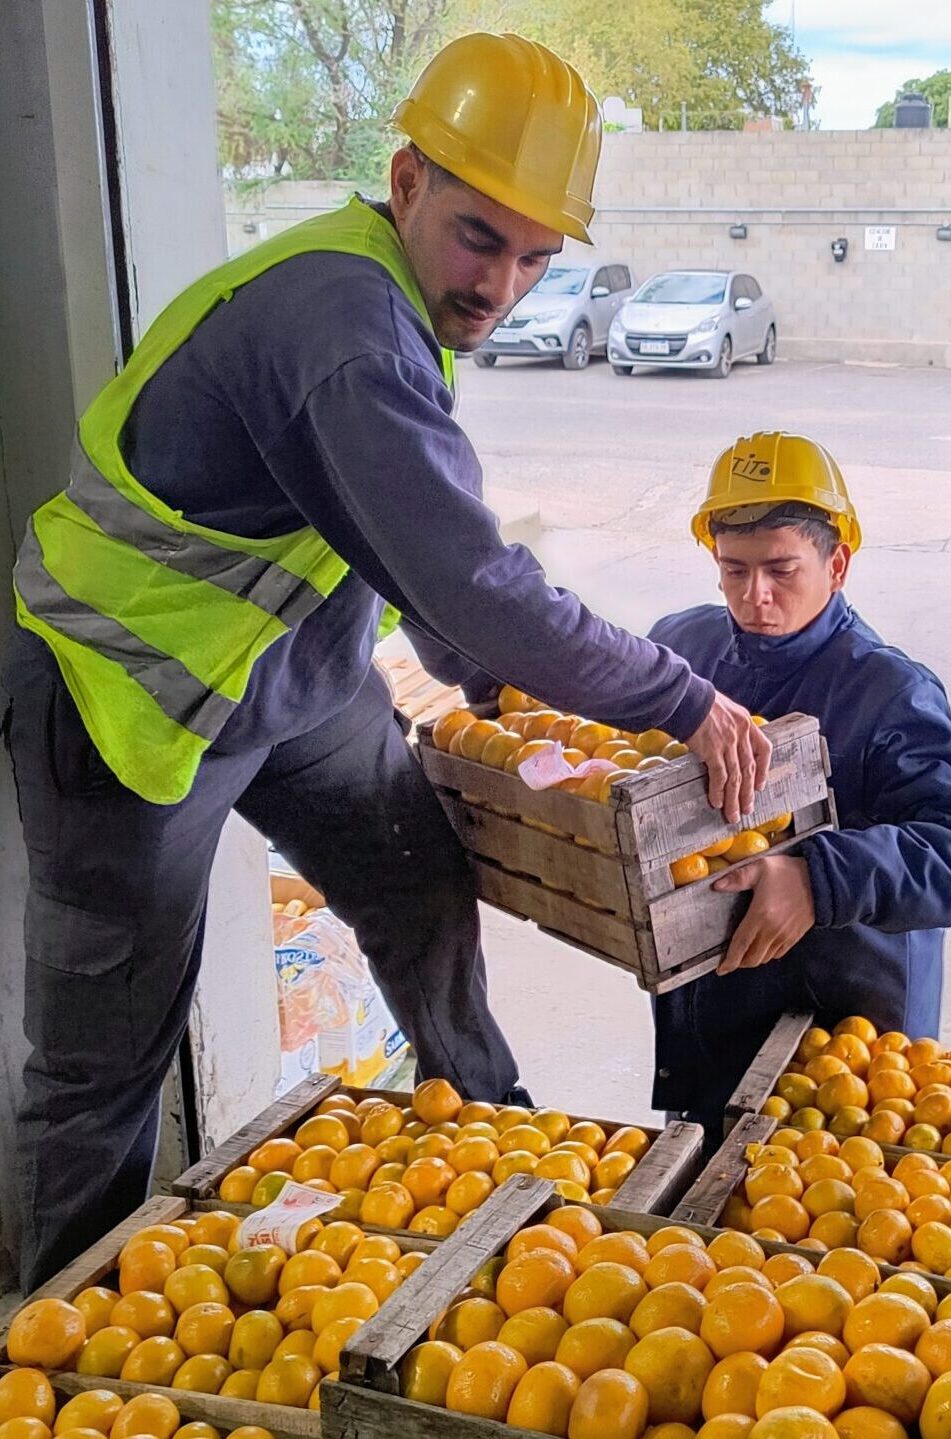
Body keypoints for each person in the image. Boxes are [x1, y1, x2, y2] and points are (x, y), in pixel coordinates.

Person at [1, 32, 769, 1290]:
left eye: (536, 256)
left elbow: (392, 537)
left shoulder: (400, 308)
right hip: (126, 694)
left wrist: (480, 687)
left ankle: (489, 1138)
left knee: (419, 892)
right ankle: (66, 1344)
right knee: (106, 1052)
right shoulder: (346, 330)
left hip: (289, 680)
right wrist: (684, 700)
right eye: (481, 236)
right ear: (406, 180)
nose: (502, 284)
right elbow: (472, 576)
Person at [647, 432, 951, 1134]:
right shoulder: (683, 654)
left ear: (837, 562)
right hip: (707, 1020)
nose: (755, 595)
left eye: (782, 569)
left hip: (840, 1039)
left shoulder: (885, 691)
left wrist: (820, 879)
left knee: (819, 1220)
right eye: (733, 570)